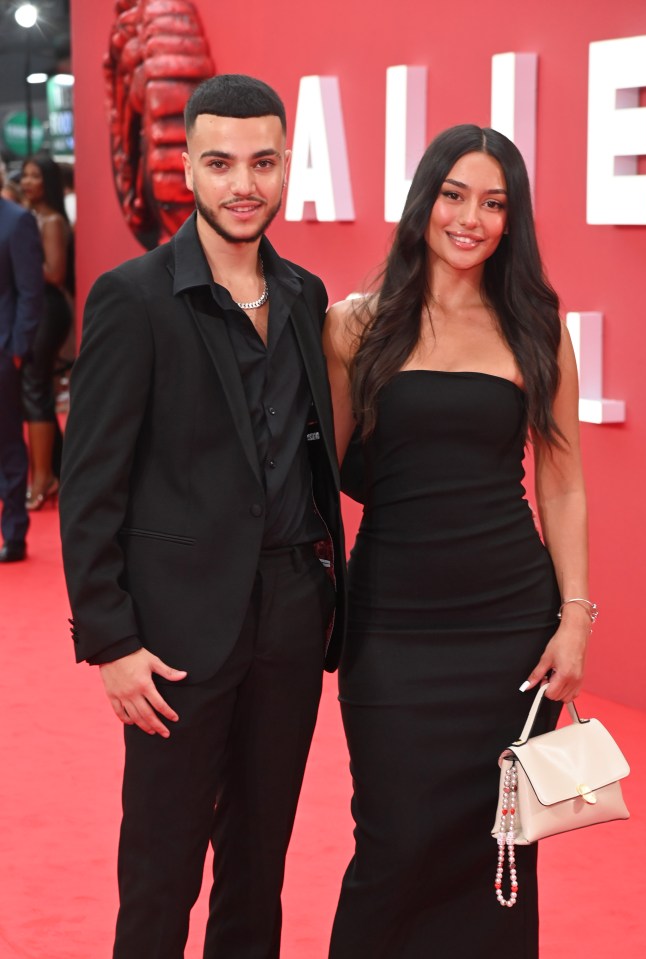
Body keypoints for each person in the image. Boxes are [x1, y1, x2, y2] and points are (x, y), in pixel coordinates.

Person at [59, 74, 346, 959]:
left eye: (263, 162)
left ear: (287, 164)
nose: (243, 184)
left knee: (260, 867)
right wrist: (109, 638)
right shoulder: (132, 297)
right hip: (178, 633)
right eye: (221, 163)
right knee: (160, 872)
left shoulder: (305, 294)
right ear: (190, 166)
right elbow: (89, 482)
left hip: (292, 617)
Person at [323, 124, 591, 957]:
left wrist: (575, 614)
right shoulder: (352, 328)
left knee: (498, 850)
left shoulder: (537, 327)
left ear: (513, 221)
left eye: (494, 202)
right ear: (424, 201)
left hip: (508, 630)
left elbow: (563, 478)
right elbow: (319, 472)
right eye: (455, 194)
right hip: (392, 626)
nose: (471, 216)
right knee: (394, 843)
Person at [19, 153, 73, 509]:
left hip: (48, 311)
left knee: (36, 387)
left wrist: (18, 259)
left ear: (48, 182)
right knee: (33, 387)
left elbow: (54, 273)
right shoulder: (31, 218)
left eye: (35, 176)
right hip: (35, 309)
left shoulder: (51, 222)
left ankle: (44, 478)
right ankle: (53, 469)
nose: (27, 182)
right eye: (24, 176)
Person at [0, 160, 43, 563]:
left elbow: (31, 292)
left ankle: (14, 533)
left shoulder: (17, 222)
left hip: (2, 351)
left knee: (7, 443)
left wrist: (16, 349)